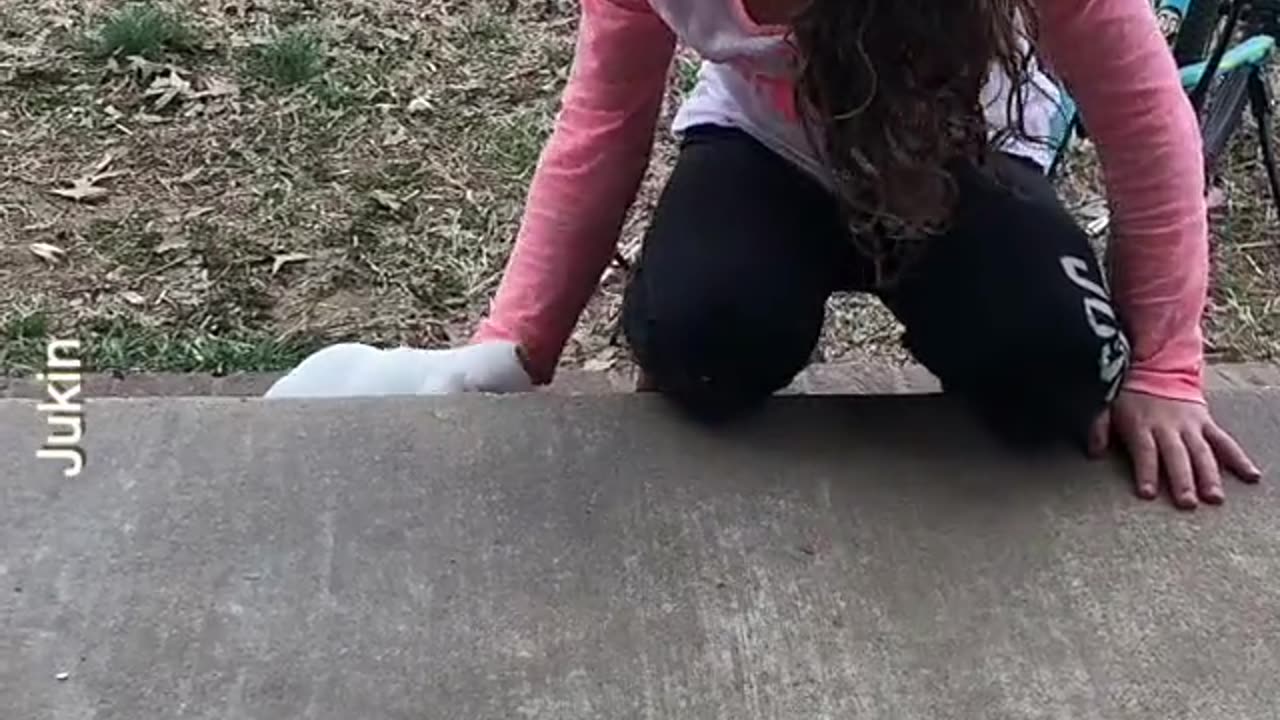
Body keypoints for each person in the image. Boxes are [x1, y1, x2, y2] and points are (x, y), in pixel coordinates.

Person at [266, 0, 1263, 508]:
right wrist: (512, 346)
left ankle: (969, 300)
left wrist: (1167, 367)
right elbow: (601, 124)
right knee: (701, 342)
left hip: (957, 146)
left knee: (1059, 380)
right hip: (764, 147)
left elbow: (1145, 128)